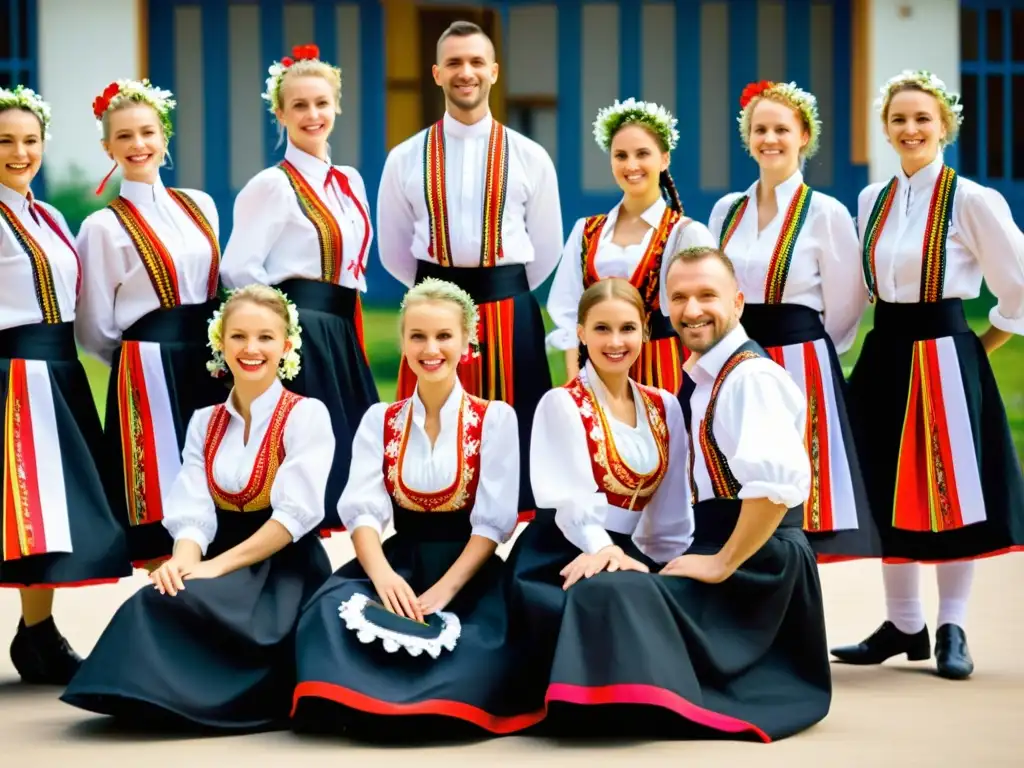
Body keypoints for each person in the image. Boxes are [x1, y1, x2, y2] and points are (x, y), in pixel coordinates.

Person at [526, 246, 831, 741]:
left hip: (758, 564)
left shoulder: (748, 378)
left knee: (612, 594)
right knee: (615, 591)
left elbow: (775, 490)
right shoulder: (705, 379)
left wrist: (721, 562)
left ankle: (616, 705)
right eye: (679, 297)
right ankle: (613, 701)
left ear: (738, 302)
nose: (692, 310)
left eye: (707, 295)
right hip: (726, 549)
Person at [61, 285, 334, 730]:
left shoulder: (306, 415)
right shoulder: (204, 422)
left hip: (282, 572)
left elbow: (292, 519)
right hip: (217, 560)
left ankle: (194, 698)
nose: (251, 349)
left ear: (286, 345)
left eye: (266, 337)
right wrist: (182, 564)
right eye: (239, 336)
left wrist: (214, 569)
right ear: (220, 343)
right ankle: (148, 694)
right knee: (154, 600)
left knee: (195, 607)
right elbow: (194, 510)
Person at [830, 71, 1024, 680]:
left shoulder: (972, 200)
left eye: (922, 119)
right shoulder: (872, 200)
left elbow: (1018, 285)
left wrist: (978, 346)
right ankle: (904, 623)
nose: (910, 129)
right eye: (899, 120)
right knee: (887, 486)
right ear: (885, 129)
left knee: (949, 491)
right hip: (886, 350)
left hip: (945, 352)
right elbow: (862, 290)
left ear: (945, 126)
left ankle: (952, 625)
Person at [291, 278, 528, 740]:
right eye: (417, 336)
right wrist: (381, 577)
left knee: (482, 643)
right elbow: (362, 512)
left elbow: (493, 524)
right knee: (326, 613)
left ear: (467, 339)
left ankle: (421, 702)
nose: (430, 348)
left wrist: (442, 591)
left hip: (469, 573)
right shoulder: (380, 420)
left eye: (443, 336)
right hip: (395, 564)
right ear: (402, 341)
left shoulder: (495, 418)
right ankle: (369, 699)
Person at [376, 20, 563, 516]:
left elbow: (545, 248)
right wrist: (436, 301)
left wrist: (501, 294)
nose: (466, 73)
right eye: (455, 63)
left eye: (477, 62)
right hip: (433, 311)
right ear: (436, 73)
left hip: (507, 309)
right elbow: (394, 251)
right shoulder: (404, 157)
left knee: (514, 450)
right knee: (434, 433)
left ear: (494, 72)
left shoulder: (530, 156)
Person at [506, 277, 691, 730]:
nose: (615, 341)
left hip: (626, 550)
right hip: (562, 551)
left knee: (677, 595)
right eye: (601, 329)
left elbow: (670, 510)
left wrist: (671, 565)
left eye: (627, 328)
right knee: (613, 595)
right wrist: (602, 548)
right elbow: (569, 501)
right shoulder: (560, 403)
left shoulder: (664, 406)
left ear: (646, 331)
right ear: (581, 333)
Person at [708, 80, 879, 562]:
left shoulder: (826, 212)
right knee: (739, 479)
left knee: (799, 497)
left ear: (804, 135)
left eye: (782, 128)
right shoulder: (727, 210)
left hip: (801, 361)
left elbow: (848, 304)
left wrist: (817, 356)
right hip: (737, 357)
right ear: (748, 138)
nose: (770, 139)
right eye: (759, 129)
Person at [0, 86, 130, 685]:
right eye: (5, 141)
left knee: (54, 513)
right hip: (10, 372)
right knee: (17, 508)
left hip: (55, 372)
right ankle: (38, 637)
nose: (19, 152)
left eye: (30, 141)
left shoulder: (47, 214)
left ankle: (36, 635)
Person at [223, 44, 378, 536]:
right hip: (301, 332)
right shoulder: (272, 185)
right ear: (281, 113)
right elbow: (237, 268)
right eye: (299, 106)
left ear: (336, 106)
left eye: (321, 103)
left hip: (340, 330)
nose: (313, 115)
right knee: (303, 467)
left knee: (352, 473)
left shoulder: (349, 180)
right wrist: (280, 332)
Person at [75, 78, 225, 568]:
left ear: (164, 136)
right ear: (108, 148)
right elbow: (95, 326)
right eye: (124, 136)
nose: (138, 145)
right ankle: (172, 614)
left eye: (147, 132)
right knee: (161, 491)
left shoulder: (200, 204)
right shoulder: (101, 227)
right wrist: (138, 361)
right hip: (147, 368)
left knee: (216, 481)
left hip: (210, 363)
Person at [546, 100, 715, 393]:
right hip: (595, 372)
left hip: (664, 373)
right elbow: (568, 314)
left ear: (664, 159)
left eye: (642, 154)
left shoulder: (686, 234)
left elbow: (707, 319)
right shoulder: (585, 231)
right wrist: (577, 387)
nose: (631, 165)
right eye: (620, 155)